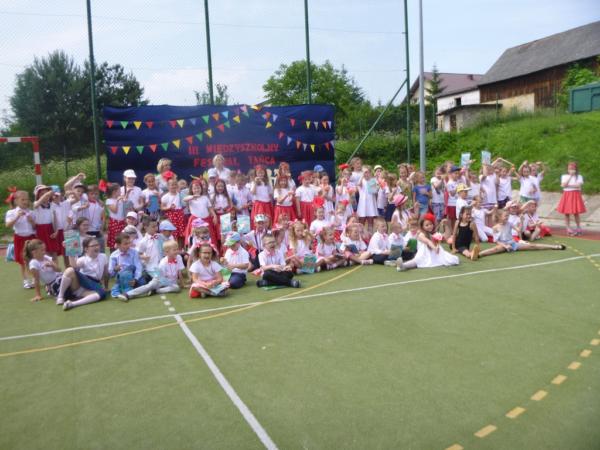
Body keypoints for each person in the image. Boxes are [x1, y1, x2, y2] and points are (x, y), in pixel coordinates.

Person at [480, 210, 565, 256]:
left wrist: (521, 221)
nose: (507, 217)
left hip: (513, 243)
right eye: (505, 216)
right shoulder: (495, 228)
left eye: (507, 216)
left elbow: (518, 230)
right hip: (503, 245)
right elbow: (496, 241)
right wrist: (505, 246)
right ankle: (478, 254)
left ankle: (555, 247)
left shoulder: (509, 223)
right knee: (494, 250)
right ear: (499, 217)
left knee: (533, 246)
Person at [59, 237, 109, 310]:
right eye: (93, 246)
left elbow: (106, 273)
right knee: (70, 270)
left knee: (101, 294)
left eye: (97, 245)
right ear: (86, 249)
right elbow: (73, 266)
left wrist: (106, 287)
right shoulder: (83, 259)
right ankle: (60, 297)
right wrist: (70, 250)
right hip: (82, 282)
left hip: (92, 286)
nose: (96, 247)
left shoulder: (103, 256)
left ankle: (72, 304)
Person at [5, 189, 36, 288]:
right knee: (23, 261)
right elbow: (8, 225)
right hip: (20, 238)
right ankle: (26, 280)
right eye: (23, 199)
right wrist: (17, 217)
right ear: (16, 201)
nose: (25, 201)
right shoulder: (11, 212)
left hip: (31, 237)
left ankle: (35, 279)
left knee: (33, 259)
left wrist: (31, 221)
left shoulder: (31, 212)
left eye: (27, 199)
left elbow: (35, 227)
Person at [108, 233, 145, 300]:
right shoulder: (113, 255)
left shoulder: (134, 252)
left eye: (129, 243)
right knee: (126, 273)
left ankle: (119, 290)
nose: (128, 245)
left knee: (142, 281)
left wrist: (135, 279)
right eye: (125, 244)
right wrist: (115, 269)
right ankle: (128, 292)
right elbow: (111, 274)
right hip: (121, 276)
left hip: (133, 275)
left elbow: (138, 267)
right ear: (118, 245)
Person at [557, 161, 586, 236]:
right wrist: (570, 177)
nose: (571, 170)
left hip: (575, 194)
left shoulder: (579, 176)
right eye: (569, 168)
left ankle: (578, 227)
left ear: (576, 169)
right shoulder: (564, 176)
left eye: (573, 168)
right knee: (566, 212)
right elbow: (564, 185)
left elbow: (578, 186)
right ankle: (568, 228)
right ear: (567, 169)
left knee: (576, 212)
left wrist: (568, 186)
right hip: (567, 194)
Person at [33, 185, 60, 261]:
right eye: (42, 194)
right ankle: (46, 266)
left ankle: (55, 267)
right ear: (38, 196)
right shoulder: (36, 204)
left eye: (46, 193)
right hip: (41, 230)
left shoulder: (52, 205)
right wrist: (47, 194)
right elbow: (36, 205)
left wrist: (56, 231)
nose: (45, 195)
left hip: (50, 229)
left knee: (54, 251)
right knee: (44, 251)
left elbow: (55, 219)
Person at [161, 178, 185, 243]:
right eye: (172, 185)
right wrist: (169, 208)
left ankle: (181, 247)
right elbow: (162, 208)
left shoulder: (180, 194)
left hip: (180, 215)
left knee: (181, 232)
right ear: (168, 186)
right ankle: (173, 246)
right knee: (173, 232)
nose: (174, 186)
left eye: (175, 184)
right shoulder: (165, 197)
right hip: (171, 216)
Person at [356, 166, 378, 234]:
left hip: (370, 203)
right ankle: (361, 234)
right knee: (362, 220)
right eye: (364, 172)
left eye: (367, 172)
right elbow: (359, 184)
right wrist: (362, 176)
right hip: (363, 203)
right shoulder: (361, 180)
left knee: (370, 220)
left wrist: (371, 180)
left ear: (370, 173)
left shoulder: (373, 180)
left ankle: (370, 234)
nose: (365, 174)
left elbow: (374, 191)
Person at [105, 183, 126, 249]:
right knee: (115, 240)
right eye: (119, 190)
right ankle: (114, 251)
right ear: (114, 192)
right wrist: (117, 201)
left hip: (122, 222)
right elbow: (114, 210)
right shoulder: (109, 201)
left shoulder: (120, 199)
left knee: (122, 239)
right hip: (115, 223)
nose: (121, 192)